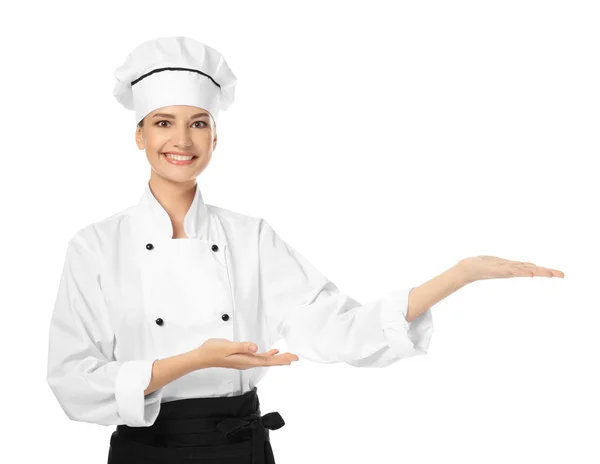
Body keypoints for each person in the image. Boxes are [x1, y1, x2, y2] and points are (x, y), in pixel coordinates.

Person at [45, 36, 565, 464]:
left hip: (242, 449)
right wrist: (185, 363)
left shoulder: (250, 237)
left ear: (215, 137)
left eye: (198, 122)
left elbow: (336, 328)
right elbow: (71, 380)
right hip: (149, 453)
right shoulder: (95, 246)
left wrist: (457, 276)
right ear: (138, 135)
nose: (181, 139)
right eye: (163, 122)